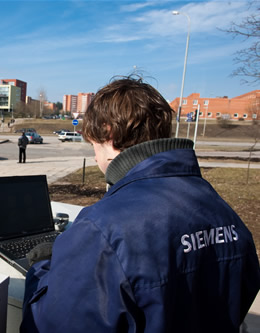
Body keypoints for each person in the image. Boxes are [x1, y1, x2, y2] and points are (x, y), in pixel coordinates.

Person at [21, 76, 260, 332]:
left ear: (108, 132)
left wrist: (42, 269)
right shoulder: (219, 207)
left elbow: (51, 324)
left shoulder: (101, 228)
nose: (94, 157)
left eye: (93, 144)